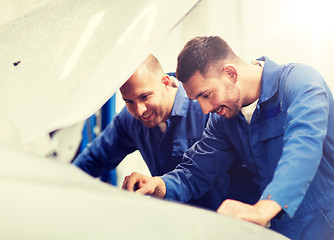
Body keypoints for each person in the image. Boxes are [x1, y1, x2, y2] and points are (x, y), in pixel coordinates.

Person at [122, 36, 334, 239]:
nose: (205, 109)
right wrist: (159, 185)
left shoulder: (299, 83)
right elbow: (196, 170)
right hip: (283, 230)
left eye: (206, 95)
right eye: (197, 100)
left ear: (230, 74)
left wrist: (264, 208)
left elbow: (303, 147)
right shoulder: (225, 120)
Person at [73, 54, 257, 210]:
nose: (140, 110)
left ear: (166, 83)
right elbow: (93, 160)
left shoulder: (207, 109)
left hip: (224, 224)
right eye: (129, 101)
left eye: (145, 96)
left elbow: (242, 173)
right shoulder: (130, 120)